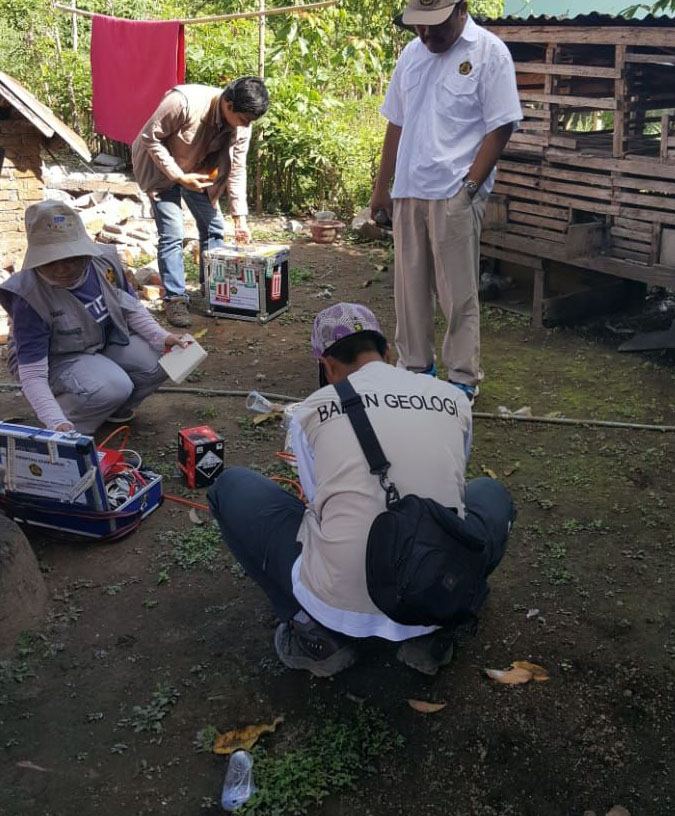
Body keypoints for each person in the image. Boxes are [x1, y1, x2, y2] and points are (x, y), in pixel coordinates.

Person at [209, 303, 515, 678]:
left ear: (327, 366)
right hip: (435, 587)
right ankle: (434, 634)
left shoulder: (311, 410)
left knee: (232, 487)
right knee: (490, 494)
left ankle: (317, 636)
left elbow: (316, 502)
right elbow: (454, 489)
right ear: (386, 354)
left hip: (337, 607)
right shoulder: (452, 398)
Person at [370, 0, 523, 402]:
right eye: (420, 25)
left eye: (436, 26)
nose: (427, 36)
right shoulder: (411, 55)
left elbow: (501, 126)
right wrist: (382, 187)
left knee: (458, 295)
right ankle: (415, 370)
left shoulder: (490, 53)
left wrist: (470, 189)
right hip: (409, 190)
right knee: (409, 291)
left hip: (455, 191)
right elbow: (395, 123)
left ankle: (461, 381)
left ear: (462, 10)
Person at [0, 200, 189, 435]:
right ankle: (68, 424)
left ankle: (114, 410)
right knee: (113, 386)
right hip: (56, 359)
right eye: (52, 261)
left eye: (71, 258)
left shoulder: (102, 265)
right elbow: (33, 374)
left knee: (171, 357)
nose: (63, 268)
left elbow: (130, 307)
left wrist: (162, 337)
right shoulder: (29, 296)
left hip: (100, 343)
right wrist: (55, 421)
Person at [132, 76, 269, 328]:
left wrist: (240, 218)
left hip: (200, 172)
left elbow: (238, 167)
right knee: (173, 233)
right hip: (161, 170)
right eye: (243, 120)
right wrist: (179, 176)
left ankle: (214, 292)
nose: (244, 126)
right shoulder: (182, 102)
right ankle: (175, 300)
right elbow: (150, 137)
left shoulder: (242, 125)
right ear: (228, 103)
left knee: (215, 226)